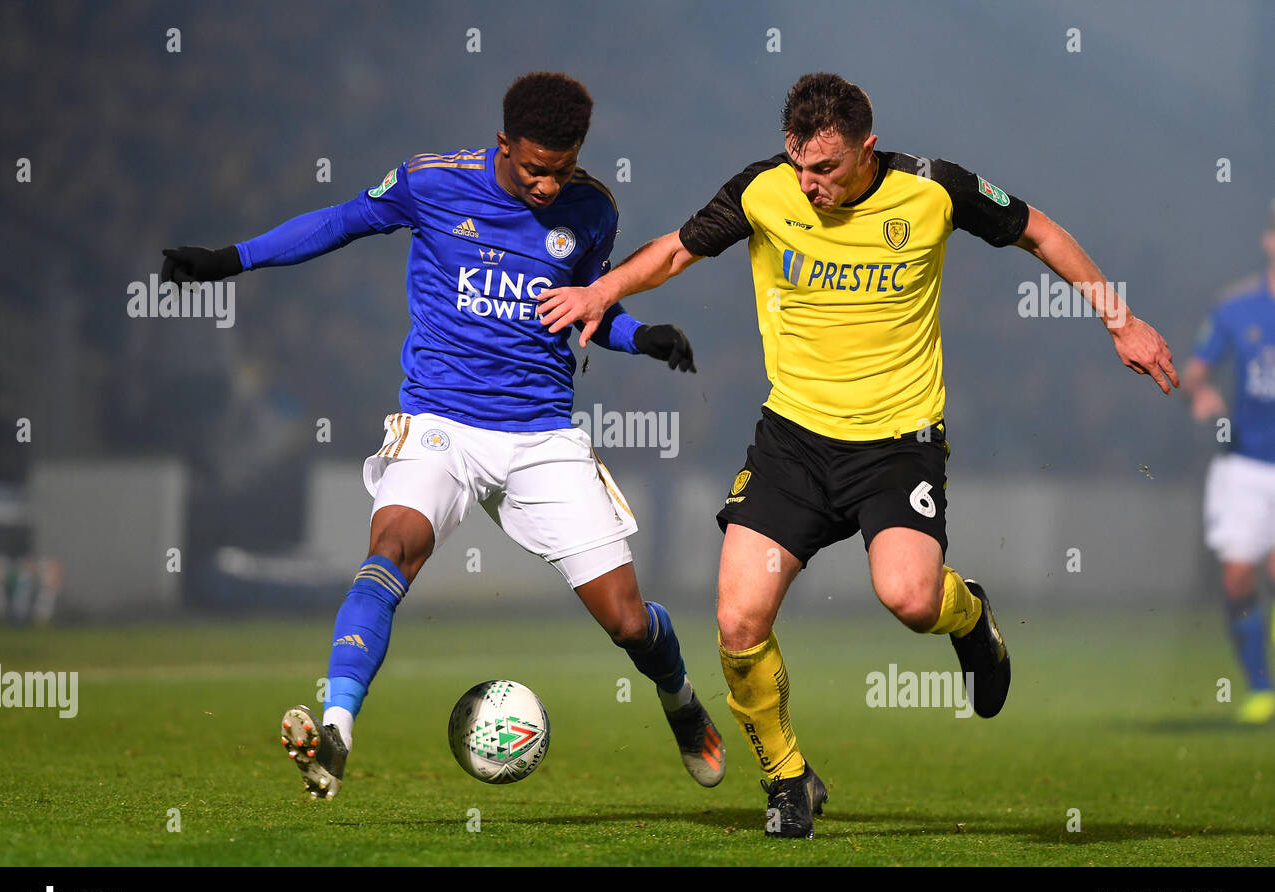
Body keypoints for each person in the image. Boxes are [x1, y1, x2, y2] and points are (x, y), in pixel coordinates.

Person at [537, 72, 1178, 838]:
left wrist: (1119, 319)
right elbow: (676, 251)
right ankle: (787, 782)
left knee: (910, 599)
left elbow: (1038, 229)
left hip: (896, 447)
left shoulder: (933, 189)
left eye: (828, 169)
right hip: (793, 445)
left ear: (866, 149)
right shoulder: (764, 190)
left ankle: (971, 619)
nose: (810, 185)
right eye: (801, 166)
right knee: (738, 622)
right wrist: (601, 292)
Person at [160, 72, 725, 800]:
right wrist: (228, 260)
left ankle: (679, 699)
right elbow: (337, 222)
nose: (546, 186)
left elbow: (585, 305)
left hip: (540, 435)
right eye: (530, 169)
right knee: (391, 548)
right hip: (441, 423)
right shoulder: (431, 183)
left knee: (624, 620)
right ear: (502, 145)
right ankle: (337, 730)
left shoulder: (592, 210)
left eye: (559, 169)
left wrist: (639, 334)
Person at [1183, 200, 1275, 724]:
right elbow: (1196, 372)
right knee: (1238, 577)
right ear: (1269, 243)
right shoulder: (1236, 309)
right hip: (1244, 464)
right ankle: (1261, 687)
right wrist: (1201, 395)